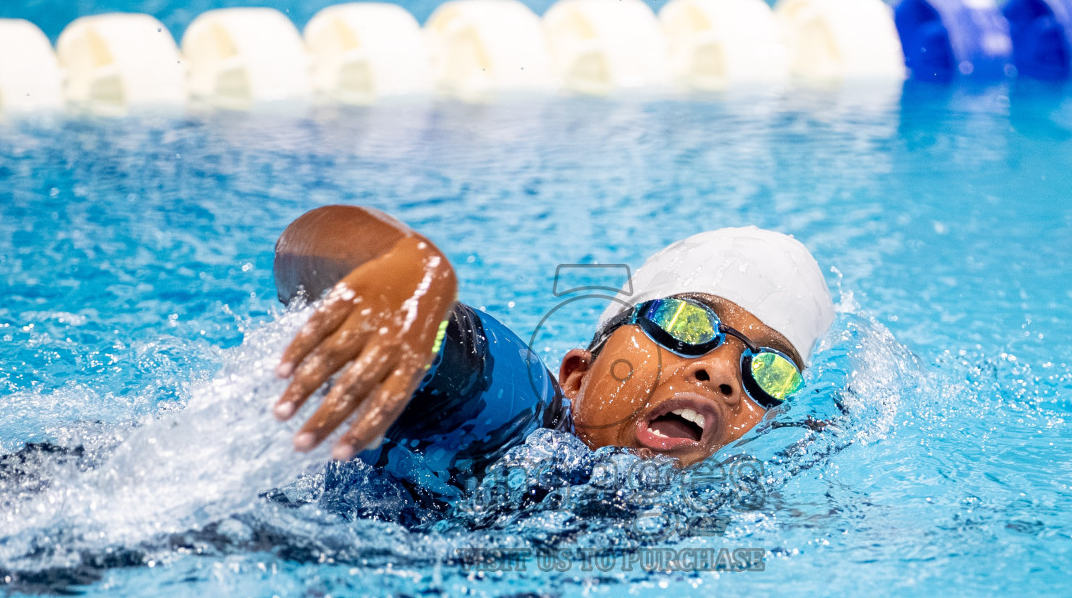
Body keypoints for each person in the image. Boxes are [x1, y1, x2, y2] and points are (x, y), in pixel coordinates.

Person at [272, 205, 833, 519]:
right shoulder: (514, 415)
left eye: (768, 373)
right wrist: (406, 277)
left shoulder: (709, 517)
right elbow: (311, 248)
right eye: (687, 326)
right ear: (577, 376)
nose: (723, 375)